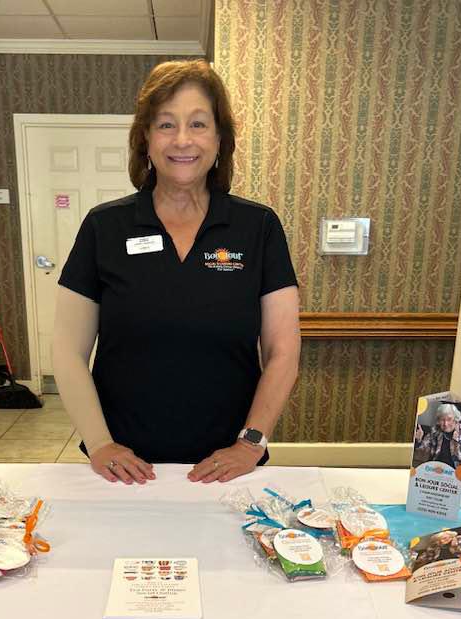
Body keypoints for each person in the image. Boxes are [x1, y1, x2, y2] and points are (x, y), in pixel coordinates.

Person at [53, 60, 300, 485]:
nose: (182, 139)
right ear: (145, 139)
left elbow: (283, 350)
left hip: (227, 468)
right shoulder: (103, 227)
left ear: (220, 139)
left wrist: (250, 444)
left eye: (198, 124)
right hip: (124, 469)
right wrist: (100, 444)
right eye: (166, 124)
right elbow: (67, 350)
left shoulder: (258, 227)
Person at [413, 403, 461, 468]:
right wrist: (419, 440)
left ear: (456, 419)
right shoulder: (435, 430)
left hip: (456, 470)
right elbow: (423, 449)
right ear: (438, 420)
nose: (445, 424)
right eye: (442, 420)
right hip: (435, 467)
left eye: (449, 419)